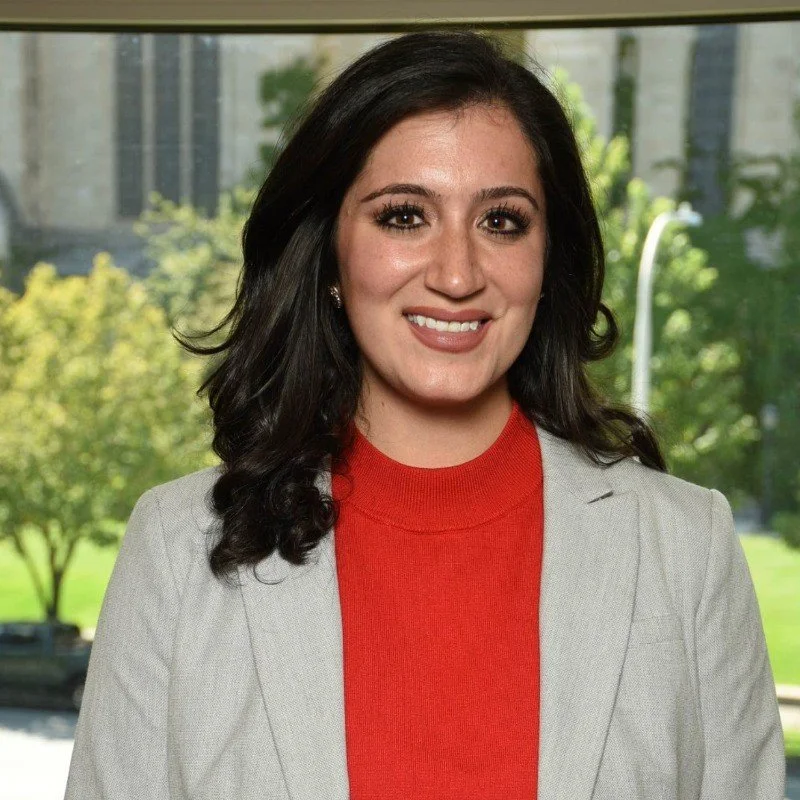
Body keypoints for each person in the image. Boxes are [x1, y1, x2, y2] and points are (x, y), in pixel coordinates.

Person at [65, 30, 784, 800]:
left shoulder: (687, 550)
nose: (457, 274)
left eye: (501, 221)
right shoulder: (177, 551)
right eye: (405, 216)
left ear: (547, 260)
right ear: (329, 255)